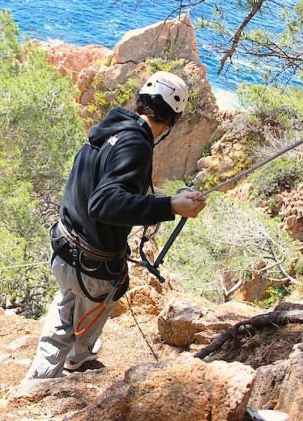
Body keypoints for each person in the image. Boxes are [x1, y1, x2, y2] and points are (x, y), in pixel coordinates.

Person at [26, 71, 207, 379]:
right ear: (171, 121)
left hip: (64, 246)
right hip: (92, 266)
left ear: (140, 102)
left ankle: (55, 368)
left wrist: (168, 200)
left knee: (66, 306)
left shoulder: (109, 130)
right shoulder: (137, 145)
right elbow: (105, 202)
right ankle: (64, 368)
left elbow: (100, 190)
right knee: (86, 311)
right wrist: (169, 206)